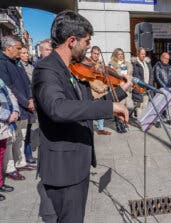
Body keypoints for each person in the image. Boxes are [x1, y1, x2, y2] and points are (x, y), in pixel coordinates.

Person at [32, 10, 131, 222]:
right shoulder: (46, 70)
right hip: (63, 170)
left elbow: (87, 106)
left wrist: (120, 93)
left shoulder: (73, 70)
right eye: (86, 42)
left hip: (78, 163)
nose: (88, 47)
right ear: (71, 41)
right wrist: (110, 108)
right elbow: (58, 108)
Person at [0, 35, 36, 182]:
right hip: (13, 107)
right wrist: (25, 102)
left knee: (20, 136)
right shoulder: (2, 63)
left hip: (24, 105)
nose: (20, 51)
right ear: (8, 47)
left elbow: (26, 82)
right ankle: (9, 168)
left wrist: (30, 98)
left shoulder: (16, 62)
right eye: (18, 48)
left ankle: (20, 162)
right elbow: (9, 87)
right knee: (10, 139)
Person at [0, 78, 19, 201]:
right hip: (4, 118)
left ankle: (0, 183)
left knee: (1, 154)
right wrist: (7, 115)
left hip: (4, 124)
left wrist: (15, 111)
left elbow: (10, 93)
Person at [19, 46, 38, 165]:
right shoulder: (19, 67)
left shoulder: (30, 65)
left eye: (27, 52)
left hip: (33, 99)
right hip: (25, 101)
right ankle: (27, 156)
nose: (27, 55)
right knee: (24, 132)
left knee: (29, 130)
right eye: (24, 53)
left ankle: (28, 154)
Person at [88, 46, 111, 135]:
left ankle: (100, 129)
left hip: (102, 90)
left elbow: (106, 78)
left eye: (98, 54)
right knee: (91, 111)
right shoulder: (88, 64)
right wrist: (98, 88)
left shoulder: (101, 64)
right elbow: (88, 80)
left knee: (101, 110)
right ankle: (88, 128)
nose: (96, 55)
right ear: (91, 53)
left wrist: (105, 87)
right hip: (93, 91)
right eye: (94, 53)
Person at [109, 48, 134, 112]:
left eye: (122, 54)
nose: (121, 56)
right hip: (118, 88)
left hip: (127, 89)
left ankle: (125, 120)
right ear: (115, 55)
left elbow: (130, 76)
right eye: (119, 54)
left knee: (129, 106)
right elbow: (110, 78)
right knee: (120, 107)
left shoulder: (127, 64)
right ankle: (119, 121)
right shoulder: (112, 65)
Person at [154, 52, 171, 125]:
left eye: (168, 59)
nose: (167, 60)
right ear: (161, 58)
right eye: (165, 58)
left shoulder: (170, 67)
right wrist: (165, 87)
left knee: (169, 104)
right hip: (161, 88)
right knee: (160, 104)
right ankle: (157, 120)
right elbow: (157, 78)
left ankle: (168, 118)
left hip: (169, 89)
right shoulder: (158, 66)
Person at [132, 47, 154, 119]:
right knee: (139, 105)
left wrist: (149, 85)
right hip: (139, 88)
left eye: (144, 54)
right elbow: (136, 76)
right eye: (142, 54)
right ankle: (140, 121)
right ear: (138, 54)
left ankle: (144, 120)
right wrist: (143, 85)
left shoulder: (147, 63)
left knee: (145, 105)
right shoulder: (135, 64)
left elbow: (151, 75)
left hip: (147, 88)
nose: (143, 55)